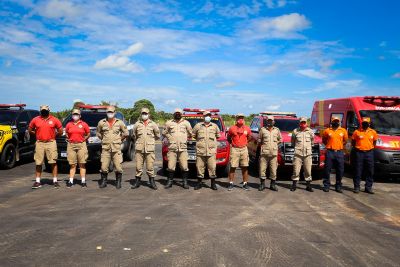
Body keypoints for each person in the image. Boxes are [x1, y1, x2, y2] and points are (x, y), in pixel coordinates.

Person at [29, 105, 63, 189]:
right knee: (38, 162)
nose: (44, 111)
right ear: (40, 111)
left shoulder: (54, 119)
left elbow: (60, 131)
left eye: (45, 110)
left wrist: (54, 136)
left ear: (49, 111)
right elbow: (30, 130)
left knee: (53, 162)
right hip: (39, 143)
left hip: (51, 142)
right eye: (42, 110)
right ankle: (37, 181)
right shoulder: (35, 119)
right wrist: (36, 134)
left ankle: (55, 181)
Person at [96, 106, 129, 189]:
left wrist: (119, 139)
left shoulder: (120, 122)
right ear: (106, 113)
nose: (110, 113)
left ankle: (118, 182)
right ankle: (104, 181)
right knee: (104, 167)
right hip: (106, 148)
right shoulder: (101, 122)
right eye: (108, 112)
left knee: (118, 167)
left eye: (111, 112)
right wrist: (104, 139)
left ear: (115, 112)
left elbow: (126, 133)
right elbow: (98, 133)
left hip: (116, 148)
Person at [162, 108, 193, 189]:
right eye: (176, 113)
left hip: (183, 148)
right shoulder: (169, 123)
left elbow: (190, 133)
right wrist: (170, 137)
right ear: (173, 114)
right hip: (172, 148)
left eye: (179, 113)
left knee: (184, 166)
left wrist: (185, 138)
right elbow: (164, 132)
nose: (177, 114)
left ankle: (185, 182)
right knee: (171, 166)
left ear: (181, 114)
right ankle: (169, 182)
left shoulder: (186, 123)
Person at [131, 108, 160, 190]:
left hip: (149, 149)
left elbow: (157, 135)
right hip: (139, 149)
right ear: (141, 114)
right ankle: (137, 182)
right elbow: (134, 135)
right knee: (138, 166)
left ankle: (152, 182)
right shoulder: (137, 124)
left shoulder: (153, 124)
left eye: (146, 113)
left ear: (149, 114)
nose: (144, 115)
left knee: (150, 167)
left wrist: (150, 141)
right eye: (143, 113)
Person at [192, 111, 220, 190]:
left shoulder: (214, 126)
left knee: (212, 167)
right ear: (203, 117)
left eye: (209, 115)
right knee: (199, 167)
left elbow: (218, 136)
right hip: (200, 151)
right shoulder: (198, 126)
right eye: (206, 115)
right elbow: (193, 135)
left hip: (211, 151)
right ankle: (199, 183)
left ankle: (213, 184)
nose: (207, 117)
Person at [321, 116, 348, 193]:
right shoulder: (327, 130)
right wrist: (329, 145)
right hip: (330, 152)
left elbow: (345, 141)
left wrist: (339, 146)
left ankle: (338, 186)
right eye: (334, 121)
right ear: (331, 122)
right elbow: (324, 140)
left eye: (337, 121)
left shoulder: (343, 131)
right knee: (327, 169)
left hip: (339, 152)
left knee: (340, 170)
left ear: (339, 122)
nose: (336, 122)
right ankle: (326, 185)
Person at [351, 117, 378, 194]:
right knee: (358, 170)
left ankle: (368, 187)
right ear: (361, 123)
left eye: (366, 123)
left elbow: (374, 142)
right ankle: (356, 187)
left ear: (369, 124)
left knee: (370, 170)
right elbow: (353, 142)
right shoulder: (356, 132)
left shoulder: (373, 132)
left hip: (369, 153)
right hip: (359, 153)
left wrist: (369, 148)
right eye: (363, 123)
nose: (364, 124)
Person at [65, 109, 90, 188]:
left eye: (77, 114)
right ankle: (71, 181)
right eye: (74, 114)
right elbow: (66, 132)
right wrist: (68, 138)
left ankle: (83, 181)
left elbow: (88, 133)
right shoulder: (69, 124)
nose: (75, 116)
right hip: (71, 145)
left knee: (82, 164)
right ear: (72, 115)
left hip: (81, 145)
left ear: (80, 116)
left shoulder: (84, 124)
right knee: (72, 164)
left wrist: (84, 139)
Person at [227, 113, 251, 191]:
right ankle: (231, 183)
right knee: (233, 166)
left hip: (244, 149)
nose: (241, 119)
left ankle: (245, 184)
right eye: (239, 118)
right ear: (236, 119)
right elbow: (228, 138)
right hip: (235, 149)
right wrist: (234, 144)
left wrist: (245, 143)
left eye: (242, 118)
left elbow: (249, 137)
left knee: (245, 167)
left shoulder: (247, 128)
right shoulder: (232, 128)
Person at [258, 115, 282, 191]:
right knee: (262, 169)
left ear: (273, 122)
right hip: (264, 153)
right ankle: (262, 184)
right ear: (267, 121)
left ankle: (272, 185)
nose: (270, 122)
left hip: (273, 154)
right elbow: (259, 139)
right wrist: (263, 144)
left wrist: (275, 144)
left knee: (273, 170)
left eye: (271, 121)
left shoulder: (277, 130)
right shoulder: (262, 130)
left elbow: (280, 139)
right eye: (268, 120)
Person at [290, 117, 314, 192]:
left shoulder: (310, 131)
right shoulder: (295, 131)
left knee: (308, 171)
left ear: (306, 123)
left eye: (304, 122)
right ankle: (294, 185)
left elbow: (312, 141)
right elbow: (293, 142)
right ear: (299, 123)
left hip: (307, 154)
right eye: (301, 122)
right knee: (296, 171)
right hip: (298, 154)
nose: (303, 124)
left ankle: (308, 186)